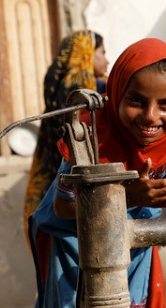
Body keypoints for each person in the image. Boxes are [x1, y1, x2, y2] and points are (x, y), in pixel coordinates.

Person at [29, 38, 166, 308]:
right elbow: (63, 207)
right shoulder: (91, 133)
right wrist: (127, 196)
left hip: (135, 241)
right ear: (116, 92)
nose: (151, 116)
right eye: (137, 101)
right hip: (74, 242)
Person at [23, 30, 109, 245]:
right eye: (102, 53)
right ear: (87, 54)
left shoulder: (57, 91)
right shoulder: (87, 95)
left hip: (50, 194)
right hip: (80, 195)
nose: (107, 60)